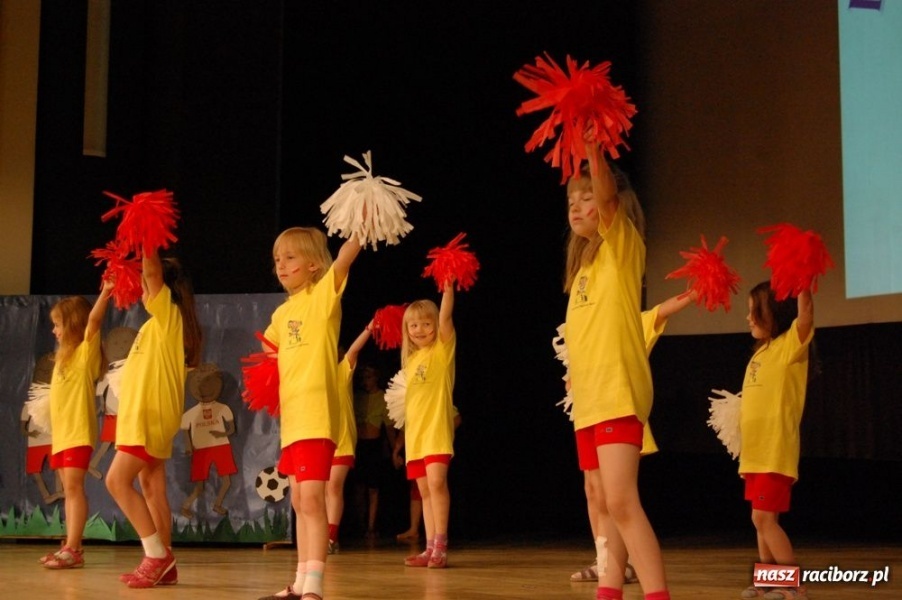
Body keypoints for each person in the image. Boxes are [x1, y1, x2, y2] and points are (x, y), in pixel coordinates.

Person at [562, 143, 670, 600]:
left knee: (623, 501)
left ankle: (657, 595)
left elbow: (606, 196)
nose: (577, 207)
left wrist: (591, 150)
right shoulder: (583, 266)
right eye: (571, 200)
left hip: (617, 392)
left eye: (586, 197)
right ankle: (609, 592)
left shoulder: (622, 242)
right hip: (589, 399)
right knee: (605, 504)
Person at [259, 226, 362, 600]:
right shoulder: (282, 312)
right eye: (277, 259)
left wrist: (361, 226)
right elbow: (268, 352)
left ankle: (315, 586)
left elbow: (348, 254)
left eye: (290, 258)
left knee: (314, 500)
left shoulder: (322, 297)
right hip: (294, 420)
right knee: (299, 500)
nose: (281, 266)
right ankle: (301, 580)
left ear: (316, 264)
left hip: (317, 416)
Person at [570, 291, 698, 586]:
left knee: (615, 499)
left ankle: (620, 566)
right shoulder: (590, 322)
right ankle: (604, 562)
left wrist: (695, 290)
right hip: (589, 413)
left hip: (616, 413)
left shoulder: (634, 321)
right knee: (593, 491)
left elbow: (665, 308)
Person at [105, 249, 203, 588]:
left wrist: (146, 237)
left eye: (150, 284)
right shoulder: (158, 324)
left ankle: (155, 554)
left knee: (116, 481)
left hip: (149, 417)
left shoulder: (167, 315)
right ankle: (166, 559)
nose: (144, 289)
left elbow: (151, 275)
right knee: (151, 486)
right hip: (148, 416)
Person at [738, 282, 813, 600]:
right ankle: (768, 580)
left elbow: (806, 316)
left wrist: (804, 285)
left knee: (763, 518)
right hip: (754, 454)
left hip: (774, 451)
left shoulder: (790, 345)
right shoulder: (761, 353)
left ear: (777, 313)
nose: (748, 318)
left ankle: (793, 586)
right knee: (760, 520)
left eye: (755, 310)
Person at [38, 284, 112, 569]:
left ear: (72, 325)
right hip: (62, 435)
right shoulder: (62, 359)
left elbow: (93, 322)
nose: (54, 331)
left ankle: (74, 548)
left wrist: (105, 293)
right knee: (69, 491)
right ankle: (71, 545)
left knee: (73, 488)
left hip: (78, 433)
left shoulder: (84, 354)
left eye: (58, 325)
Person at [397, 281, 456, 569]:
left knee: (436, 483)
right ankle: (430, 546)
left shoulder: (441, 352)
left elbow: (446, 318)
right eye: (413, 325)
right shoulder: (411, 360)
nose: (419, 330)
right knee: (424, 491)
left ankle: (441, 546)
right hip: (416, 437)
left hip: (436, 432)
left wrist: (447, 289)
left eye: (425, 324)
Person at [326, 323, 376, 555]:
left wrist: (368, 328)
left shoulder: (341, 371)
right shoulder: (313, 377)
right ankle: (320, 535)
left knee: (333, 487)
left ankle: (330, 537)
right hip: (319, 442)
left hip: (342, 442)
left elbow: (354, 351)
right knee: (319, 492)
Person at [394, 406, 460, 543]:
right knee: (420, 490)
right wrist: (396, 451)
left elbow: (456, 418)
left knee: (435, 484)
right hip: (416, 444)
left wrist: (443, 432)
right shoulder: (409, 394)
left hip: (434, 442)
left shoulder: (436, 396)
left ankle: (439, 543)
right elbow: (403, 428)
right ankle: (423, 537)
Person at [180, 363, 238, 518]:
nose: (204, 389)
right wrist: (188, 446)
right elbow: (185, 429)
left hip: (221, 446)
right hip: (201, 448)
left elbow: (231, 428)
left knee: (226, 481)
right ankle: (186, 507)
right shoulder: (192, 413)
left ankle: (217, 504)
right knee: (199, 486)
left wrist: (221, 434)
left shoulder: (223, 408)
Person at [351, 361, 396, 544]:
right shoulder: (357, 397)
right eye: (363, 378)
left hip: (374, 446)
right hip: (359, 446)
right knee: (359, 489)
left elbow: (390, 427)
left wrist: (395, 451)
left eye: (369, 377)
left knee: (373, 489)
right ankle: (361, 526)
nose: (365, 381)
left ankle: (371, 526)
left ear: (376, 377)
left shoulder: (383, 397)